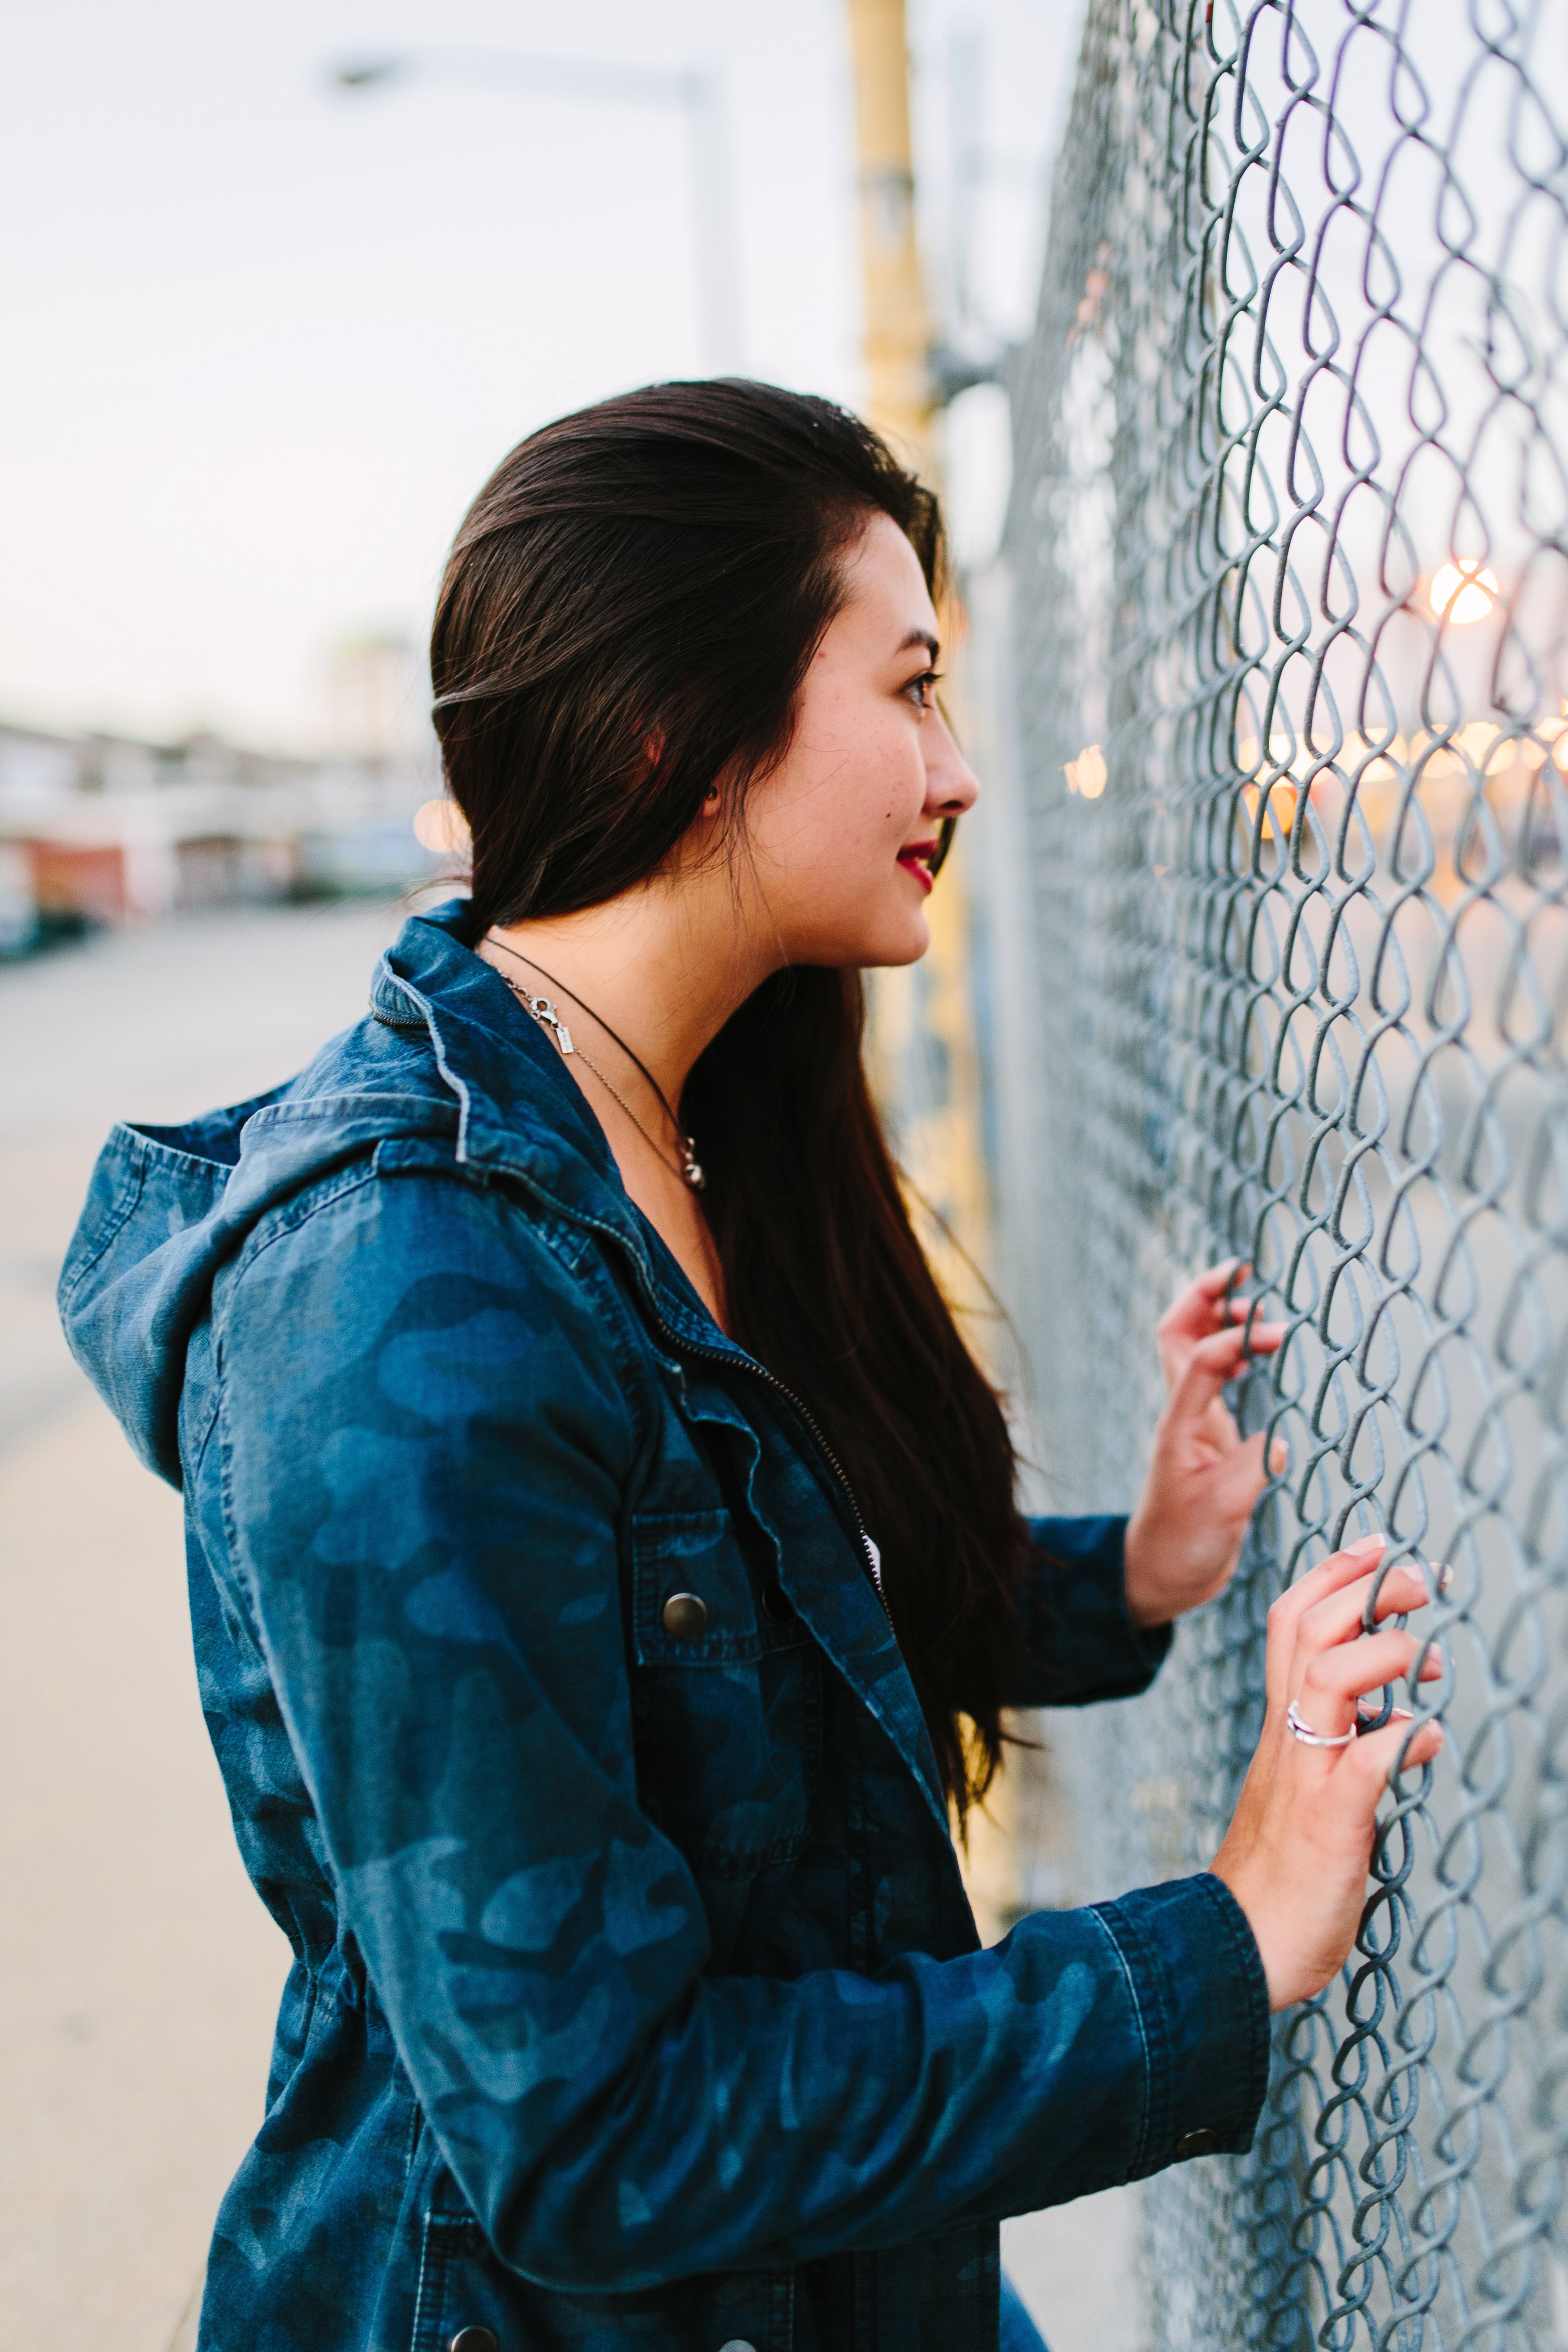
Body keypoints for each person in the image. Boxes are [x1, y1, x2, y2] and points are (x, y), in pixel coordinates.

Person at [60, 381, 1441, 2352]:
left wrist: (1116, 1571)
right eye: (906, 689)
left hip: (844, 2273)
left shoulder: (688, 1116)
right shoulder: (396, 1305)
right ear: (672, 735)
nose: (959, 770)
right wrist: (1218, 1932)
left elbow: (727, 1616)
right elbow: (589, 2129)